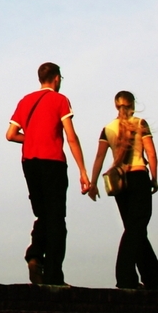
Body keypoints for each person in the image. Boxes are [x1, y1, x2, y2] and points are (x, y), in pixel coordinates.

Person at [5, 62, 90, 285]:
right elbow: (71, 137)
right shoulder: (60, 100)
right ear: (57, 78)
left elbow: (11, 134)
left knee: (43, 214)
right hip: (52, 162)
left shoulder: (25, 101)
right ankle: (53, 275)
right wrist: (83, 171)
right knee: (56, 220)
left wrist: (32, 137)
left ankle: (35, 256)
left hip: (29, 162)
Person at [87, 91, 158, 289]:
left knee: (134, 229)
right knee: (136, 228)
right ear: (132, 104)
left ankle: (153, 277)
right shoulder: (140, 123)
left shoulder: (107, 129)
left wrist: (93, 183)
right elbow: (151, 153)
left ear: (116, 105)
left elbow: (99, 158)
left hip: (120, 183)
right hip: (138, 178)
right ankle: (125, 277)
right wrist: (155, 178)